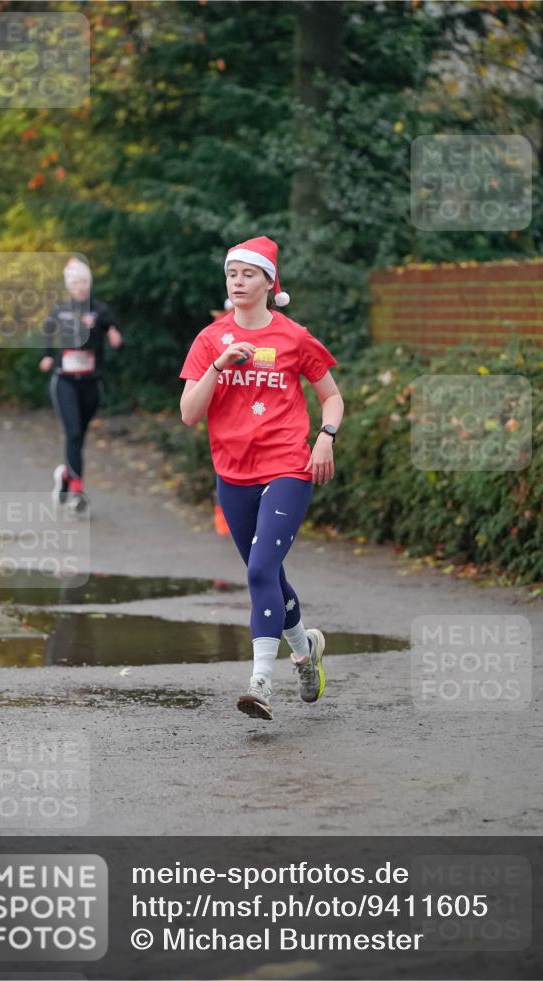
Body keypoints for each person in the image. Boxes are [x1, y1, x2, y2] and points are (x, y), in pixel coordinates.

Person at [179, 236, 344, 721]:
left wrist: (325, 436)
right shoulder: (211, 340)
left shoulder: (294, 337)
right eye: (231, 273)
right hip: (232, 473)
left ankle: (261, 683)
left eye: (248, 274)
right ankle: (305, 650)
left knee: (257, 573)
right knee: (268, 574)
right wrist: (217, 365)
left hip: (288, 467)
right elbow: (189, 413)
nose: (237, 281)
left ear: (270, 283)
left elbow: (331, 396)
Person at [39, 257, 123, 512]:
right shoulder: (60, 310)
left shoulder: (98, 310)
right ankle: (77, 490)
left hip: (91, 382)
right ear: (69, 286)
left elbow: (114, 328)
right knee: (73, 433)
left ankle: (66, 474)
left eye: (84, 282)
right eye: (75, 283)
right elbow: (47, 332)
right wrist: (46, 355)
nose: (80, 287)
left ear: (90, 284)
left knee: (79, 436)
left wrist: (114, 334)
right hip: (64, 380)